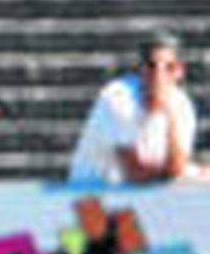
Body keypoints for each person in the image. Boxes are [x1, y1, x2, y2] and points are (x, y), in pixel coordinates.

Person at [68, 30, 204, 184]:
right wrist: (185, 173)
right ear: (141, 70)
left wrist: (169, 113)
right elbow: (136, 174)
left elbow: (175, 168)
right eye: (151, 66)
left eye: (169, 67)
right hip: (89, 197)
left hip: (135, 196)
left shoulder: (182, 106)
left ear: (180, 72)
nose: (159, 75)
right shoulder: (118, 98)